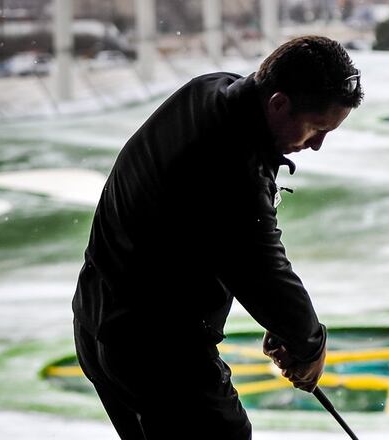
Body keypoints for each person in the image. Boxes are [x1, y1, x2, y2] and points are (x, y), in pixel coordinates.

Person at [71, 36, 363, 439]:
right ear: (278, 103)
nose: (316, 144)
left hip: (99, 318)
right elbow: (260, 265)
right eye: (317, 128)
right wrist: (308, 344)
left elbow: (223, 242)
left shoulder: (209, 91)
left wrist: (283, 322)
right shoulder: (230, 161)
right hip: (154, 347)